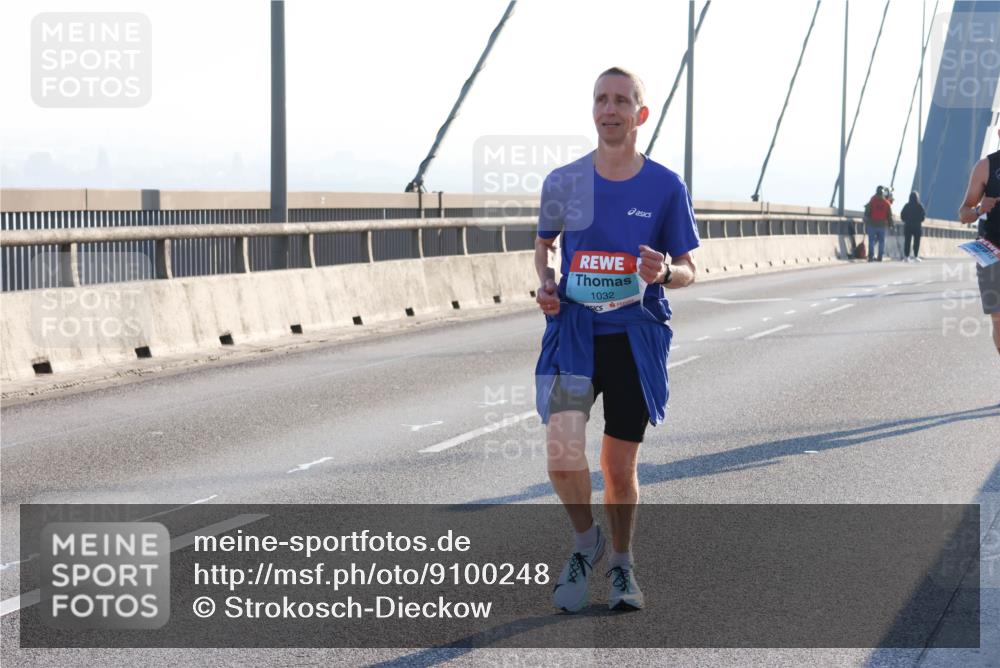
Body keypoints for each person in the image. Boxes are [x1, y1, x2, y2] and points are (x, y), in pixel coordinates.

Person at [533, 66, 699, 612]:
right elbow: (545, 247)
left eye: (622, 101)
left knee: (617, 469)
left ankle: (623, 568)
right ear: (593, 109)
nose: (610, 110)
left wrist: (665, 273)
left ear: (640, 115)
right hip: (575, 334)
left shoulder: (665, 186)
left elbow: (689, 269)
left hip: (633, 338)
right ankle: (587, 543)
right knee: (561, 453)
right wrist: (547, 282)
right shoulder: (564, 182)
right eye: (602, 100)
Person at [958, 128, 1000, 358]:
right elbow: (963, 213)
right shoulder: (986, 167)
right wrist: (977, 209)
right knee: (999, 319)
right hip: (992, 252)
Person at [865, 186, 894, 262]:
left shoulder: (872, 200)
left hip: (872, 224)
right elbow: (889, 216)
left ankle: (871, 256)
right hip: (882, 226)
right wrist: (891, 224)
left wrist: (867, 219)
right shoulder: (886, 203)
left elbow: (867, 211)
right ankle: (880, 257)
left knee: (871, 241)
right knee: (881, 241)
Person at [900, 191, 926, 262]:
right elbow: (923, 217)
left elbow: (902, 215)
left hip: (908, 226)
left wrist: (906, 220)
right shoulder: (919, 206)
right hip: (917, 226)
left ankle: (906, 256)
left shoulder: (906, 206)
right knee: (916, 242)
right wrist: (918, 220)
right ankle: (915, 256)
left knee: (907, 241)